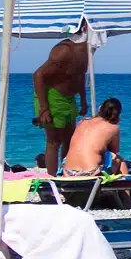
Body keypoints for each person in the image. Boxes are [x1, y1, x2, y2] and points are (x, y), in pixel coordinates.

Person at [32, 29, 92, 174]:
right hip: (52, 97)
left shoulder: (88, 50)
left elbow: (80, 75)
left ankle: (65, 174)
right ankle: (53, 179)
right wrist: (43, 108)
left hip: (69, 98)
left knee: (70, 140)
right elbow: (38, 75)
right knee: (54, 141)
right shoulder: (64, 51)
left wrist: (83, 99)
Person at [62, 98, 127, 177]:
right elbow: (114, 151)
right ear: (117, 115)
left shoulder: (82, 121)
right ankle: (127, 188)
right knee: (119, 159)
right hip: (90, 174)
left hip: (67, 173)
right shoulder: (113, 128)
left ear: (100, 108)